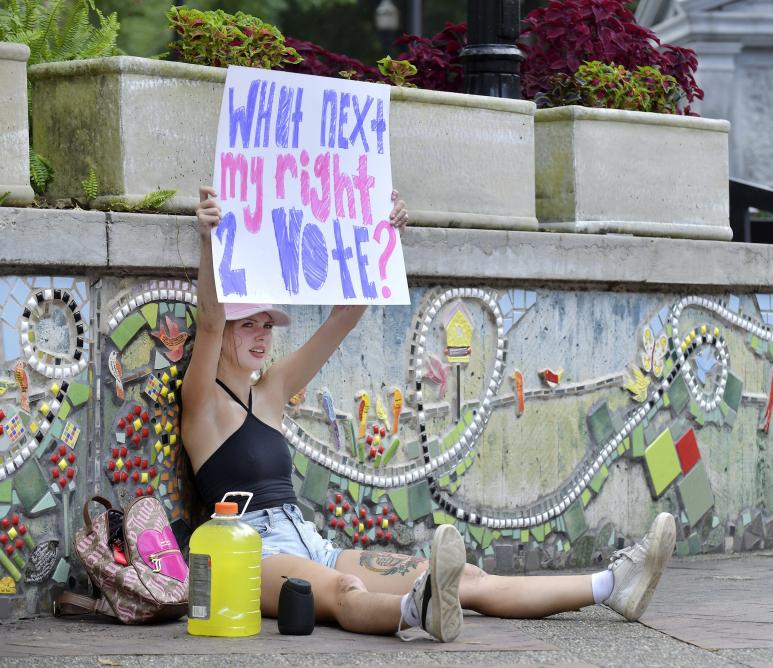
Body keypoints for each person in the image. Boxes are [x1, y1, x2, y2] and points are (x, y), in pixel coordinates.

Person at [179, 185, 677, 642]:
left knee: (465, 578)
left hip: (309, 541)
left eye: (267, 323)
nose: (262, 334)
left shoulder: (271, 389)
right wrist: (209, 239)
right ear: (226, 331)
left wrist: (382, 233)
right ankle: (417, 613)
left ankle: (611, 585)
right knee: (344, 591)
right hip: (250, 550)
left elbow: (344, 316)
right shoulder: (204, 405)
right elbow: (207, 321)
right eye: (248, 325)